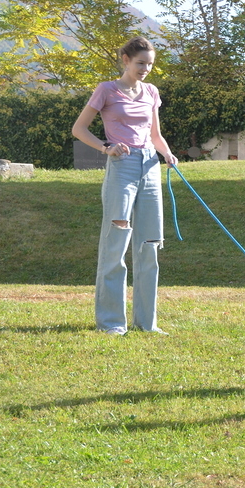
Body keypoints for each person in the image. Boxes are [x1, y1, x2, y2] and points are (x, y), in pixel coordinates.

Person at [71, 36, 178, 336]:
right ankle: (111, 323)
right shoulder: (106, 90)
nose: (145, 69)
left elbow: (155, 135)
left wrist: (167, 153)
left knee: (150, 244)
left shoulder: (151, 92)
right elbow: (79, 129)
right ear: (126, 60)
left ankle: (146, 323)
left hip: (150, 165)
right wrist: (106, 147)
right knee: (116, 241)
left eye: (150, 64)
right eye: (141, 63)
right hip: (122, 166)